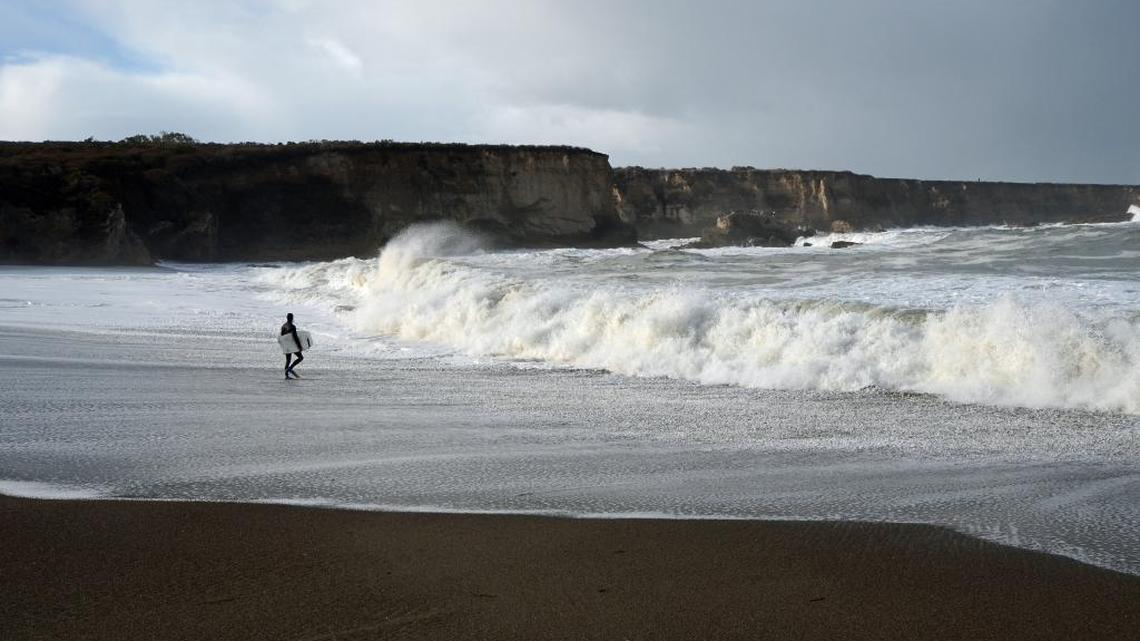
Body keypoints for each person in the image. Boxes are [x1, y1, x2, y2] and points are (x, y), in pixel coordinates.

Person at [281, 312, 304, 379]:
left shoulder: (283, 326)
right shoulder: (292, 326)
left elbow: (282, 336)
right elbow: (295, 337)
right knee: (301, 357)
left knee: (288, 360)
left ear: (287, 318)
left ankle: (286, 375)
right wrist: (299, 346)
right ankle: (290, 368)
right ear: (292, 318)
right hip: (292, 345)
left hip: (286, 345)